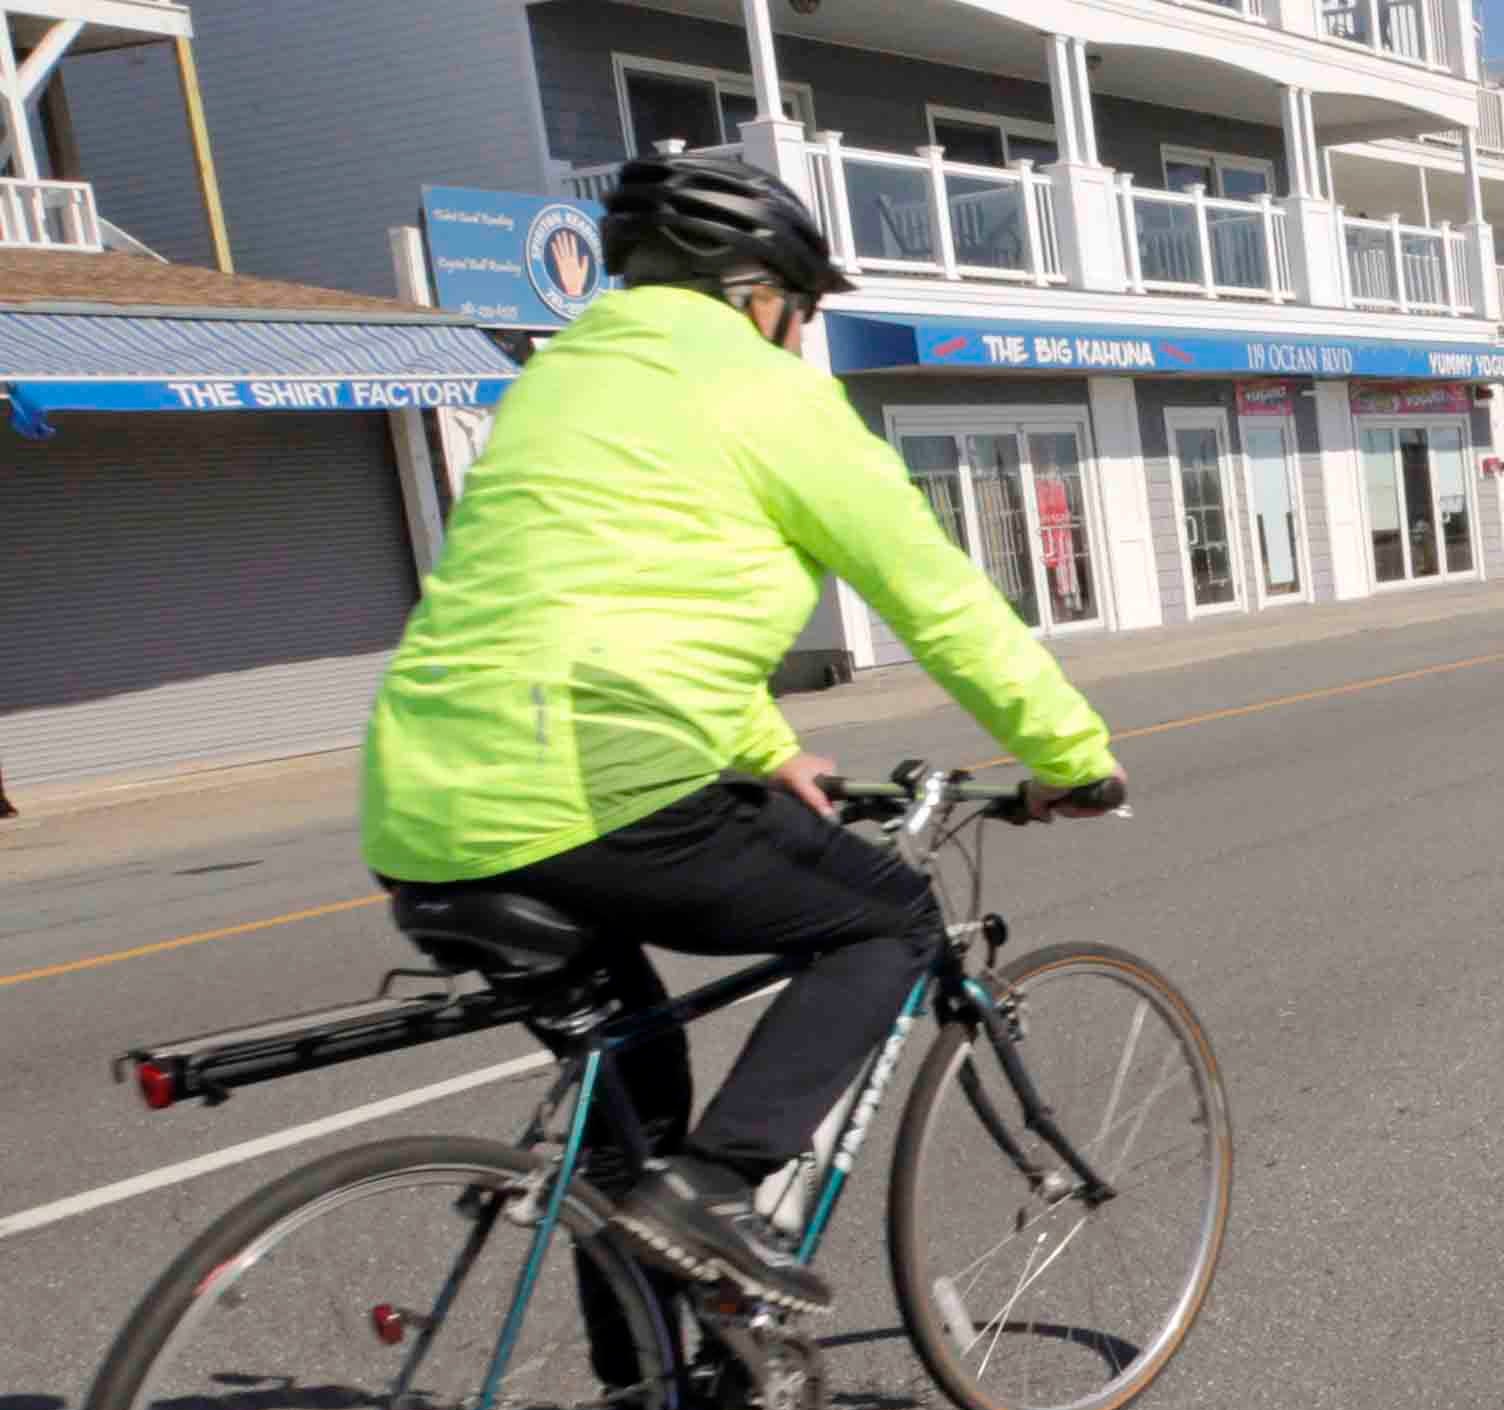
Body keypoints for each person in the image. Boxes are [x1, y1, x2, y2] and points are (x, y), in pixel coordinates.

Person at [356, 153, 1126, 1318]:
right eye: (801, 310)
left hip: (423, 802)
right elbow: (938, 594)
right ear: (754, 291)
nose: (801, 333)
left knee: (633, 1094)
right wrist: (1072, 757)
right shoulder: (764, 393)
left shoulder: (556, 382)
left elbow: (605, 601)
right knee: (891, 920)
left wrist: (764, 746)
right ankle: (718, 1192)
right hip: (595, 784)